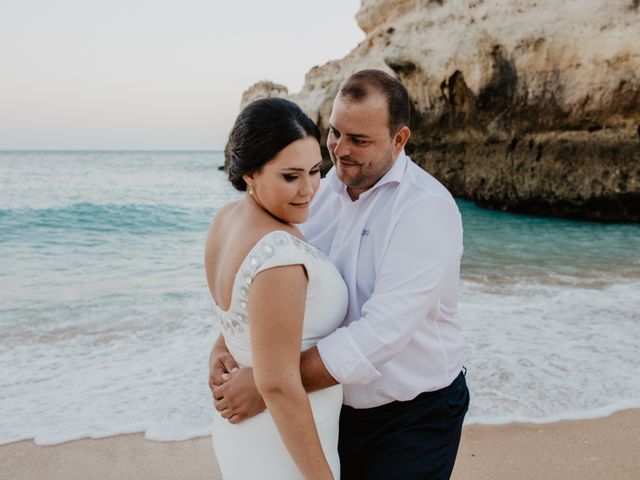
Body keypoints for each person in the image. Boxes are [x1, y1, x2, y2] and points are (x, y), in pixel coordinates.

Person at [210, 69, 470, 479]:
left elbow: (381, 332)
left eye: (359, 140)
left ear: (399, 140)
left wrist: (266, 379)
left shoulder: (426, 210)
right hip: (330, 408)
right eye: (335, 133)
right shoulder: (318, 191)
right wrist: (227, 339)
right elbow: (268, 276)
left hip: (412, 416)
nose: (341, 150)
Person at [205, 97, 347, 479]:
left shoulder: (224, 222)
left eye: (315, 171)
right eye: (290, 176)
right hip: (285, 450)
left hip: (247, 437)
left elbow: (238, 311)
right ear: (250, 173)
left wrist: (222, 344)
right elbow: (278, 386)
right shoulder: (280, 255)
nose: (309, 190)